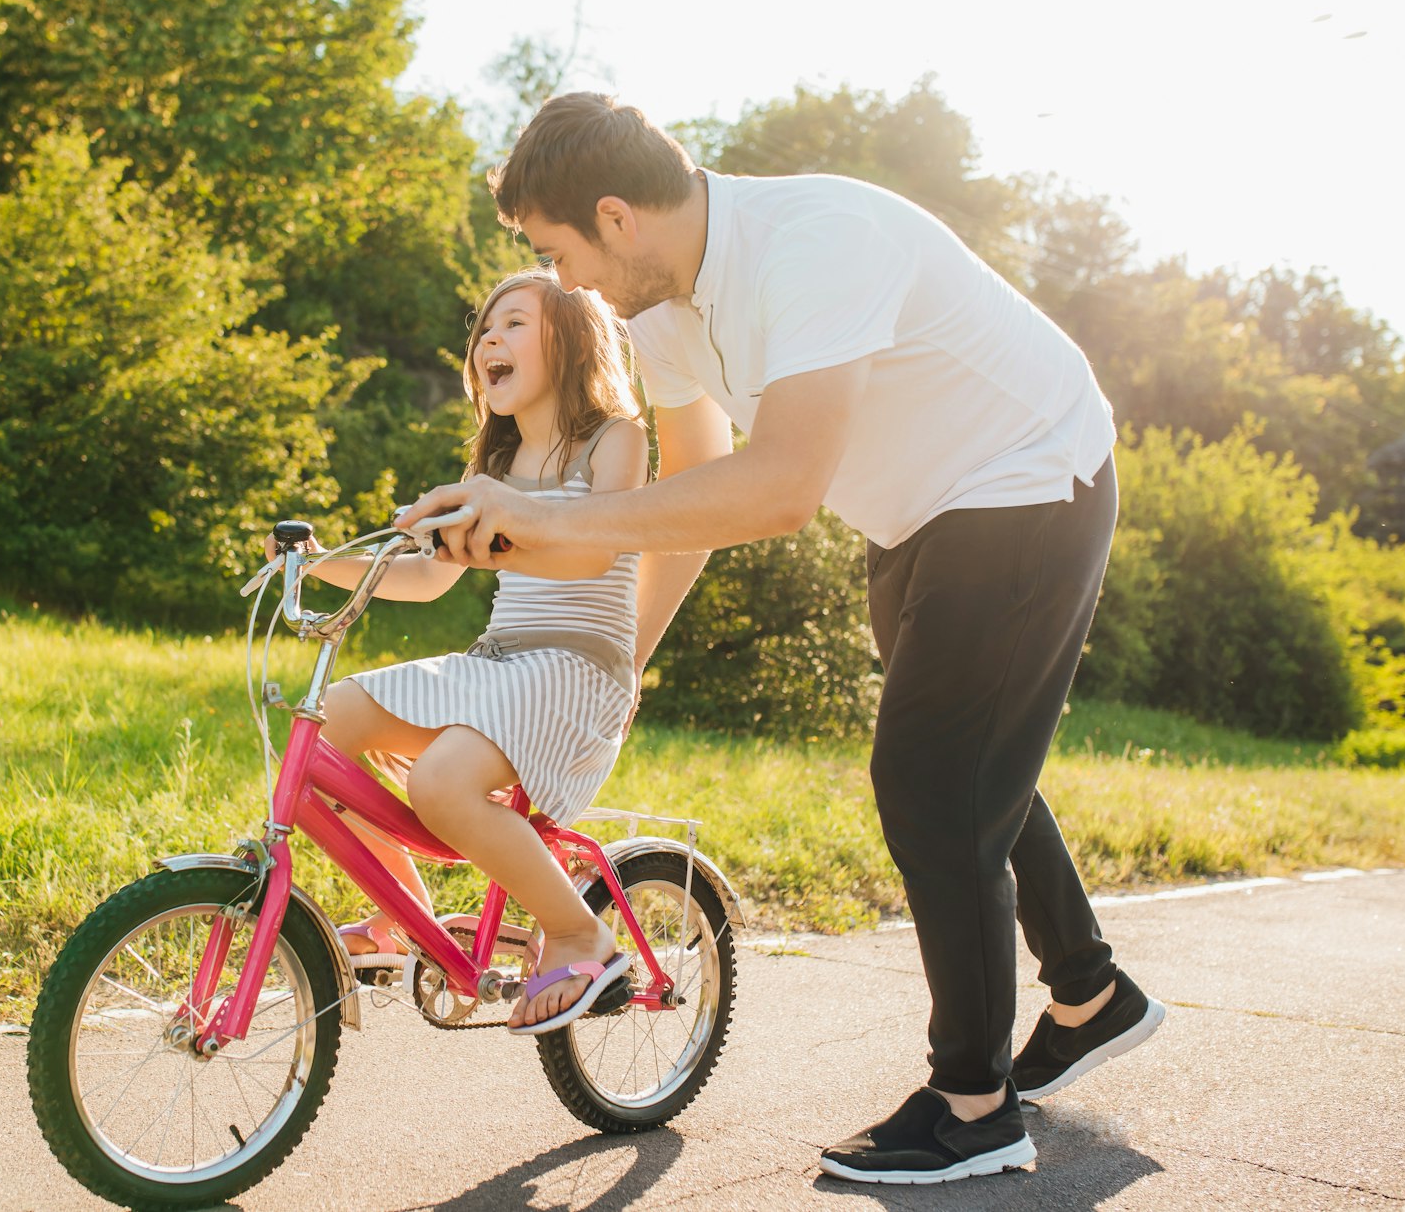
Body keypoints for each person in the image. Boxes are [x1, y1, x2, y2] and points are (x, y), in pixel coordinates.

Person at [398, 93, 1166, 1183]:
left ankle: (973, 1109)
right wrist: (624, 650)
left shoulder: (814, 244)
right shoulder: (656, 310)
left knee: (929, 778)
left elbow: (777, 489)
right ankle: (1088, 993)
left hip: (1028, 475)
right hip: (913, 513)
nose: (561, 284)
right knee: (970, 756)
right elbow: (695, 492)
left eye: (557, 252)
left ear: (615, 217)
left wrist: (557, 518)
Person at [268, 266, 650, 1033]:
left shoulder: (616, 441)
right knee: (324, 723)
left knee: (442, 781)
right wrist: (319, 561)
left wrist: (491, 541)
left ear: (571, 341)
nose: (488, 341)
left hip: (579, 667)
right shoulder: (495, 465)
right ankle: (401, 914)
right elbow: (427, 579)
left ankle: (580, 930)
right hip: (500, 659)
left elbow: (593, 555)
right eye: (484, 330)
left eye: (512, 323)